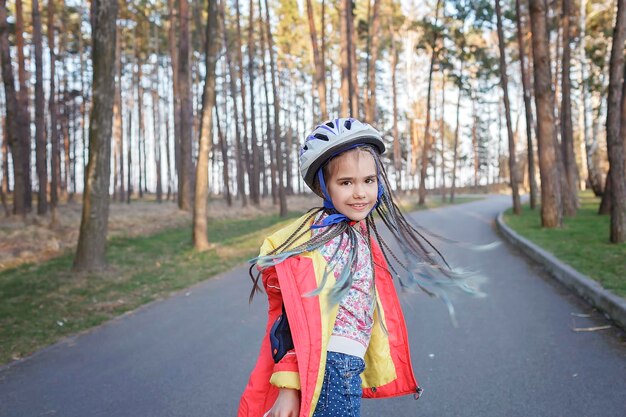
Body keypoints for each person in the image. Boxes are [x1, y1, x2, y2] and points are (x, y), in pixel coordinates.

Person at [238, 118, 475, 417]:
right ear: (324, 188)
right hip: (333, 369)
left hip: (346, 365)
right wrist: (288, 390)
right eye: (346, 182)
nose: (361, 192)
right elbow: (295, 319)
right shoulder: (321, 243)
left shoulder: (353, 233)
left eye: (369, 180)